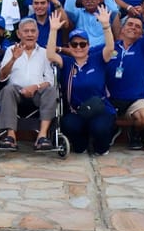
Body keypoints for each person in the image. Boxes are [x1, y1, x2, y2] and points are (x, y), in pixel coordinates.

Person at [48, 9, 117, 155]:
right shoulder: (67, 63)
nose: (78, 47)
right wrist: (53, 30)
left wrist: (106, 25)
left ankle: (101, 147)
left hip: (100, 109)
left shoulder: (97, 59)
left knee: (99, 128)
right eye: (74, 44)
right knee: (68, 125)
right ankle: (82, 145)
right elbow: (50, 54)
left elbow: (110, 47)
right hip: (77, 111)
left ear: (88, 45)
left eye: (82, 44)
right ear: (70, 46)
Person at [106, 0, 144, 149]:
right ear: (122, 29)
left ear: (141, 34)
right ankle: (113, 127)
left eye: (137, 27)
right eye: (129, 24)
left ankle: (134, 131)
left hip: (134, 100)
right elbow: (86, 53)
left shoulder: (143, 47)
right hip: (111, 99)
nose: (133, 28)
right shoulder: (110, 46)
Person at [0, 18, 61, 150]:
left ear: (37, 33)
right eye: (26, 31)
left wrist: (35, 87)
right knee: (7, 90)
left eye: (33, 31)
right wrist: (14, 59)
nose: (30, 34)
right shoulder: (10, 50)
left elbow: (50, 80)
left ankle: (42, 136)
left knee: (52, 91)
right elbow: (2, 77)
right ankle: (10, 136)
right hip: (16, 93)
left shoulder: (44, 53)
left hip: (38, 93)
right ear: (19, 34)